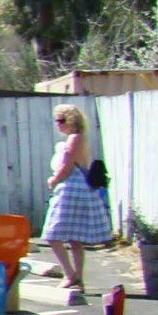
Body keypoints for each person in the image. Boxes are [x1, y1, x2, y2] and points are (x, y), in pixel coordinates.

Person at [44, 104, 110, 291]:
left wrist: (54, 180)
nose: (57, 125)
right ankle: (77, 277)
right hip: (76, 188)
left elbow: (68, 165)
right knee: (74, 238)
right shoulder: (76, 139)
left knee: (52, 233)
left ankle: (70, 274)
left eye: (60, 121)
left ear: (70, 121)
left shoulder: (75, 139)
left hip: (71, 188)